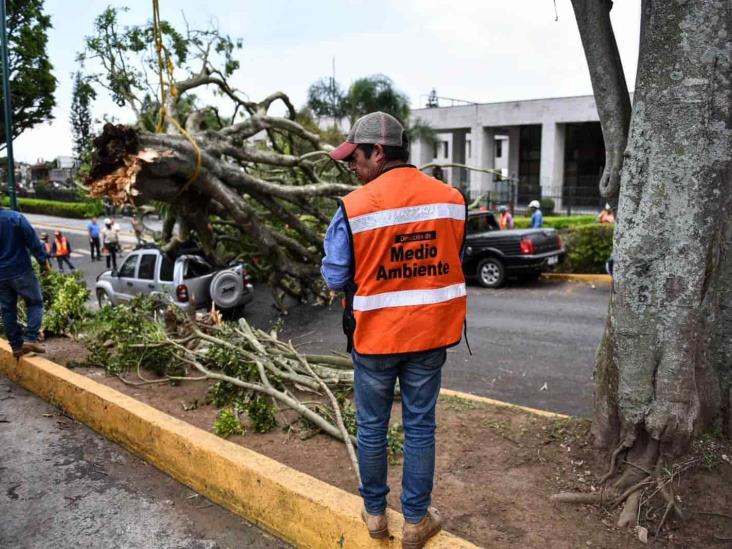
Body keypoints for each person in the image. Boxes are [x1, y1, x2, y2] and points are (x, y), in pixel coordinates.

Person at [322, 112, 466, 547]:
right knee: (420, 426)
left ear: (378, 153)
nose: (351, 166)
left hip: (376, 338)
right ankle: (416, 522)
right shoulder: (450, 199)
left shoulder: (355, 206)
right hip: (430, 335)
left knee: (371, 427)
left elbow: (334, 276)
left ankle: (375, 517)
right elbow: (451, 254)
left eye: (355, 157)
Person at [0, 207, 50, 358]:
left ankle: (16, 346)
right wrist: (43, 262)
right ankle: (30, 338)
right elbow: (33, 241)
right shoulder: (15, 218)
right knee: (35, 303)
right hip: (21, 270)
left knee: (8, 311)